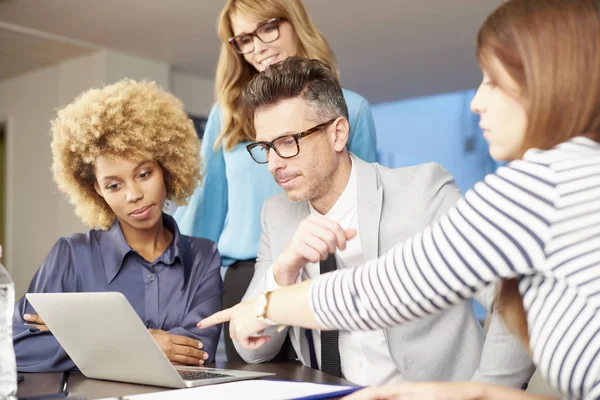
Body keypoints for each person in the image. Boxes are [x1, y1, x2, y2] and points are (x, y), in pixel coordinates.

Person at [200, 0, 600, 398]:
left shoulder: (522, 189)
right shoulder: (568, 176)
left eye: (492, 80)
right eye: (264, 147)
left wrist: (265, 305)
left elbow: (384, 290)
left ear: (339, 134)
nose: (476, 101)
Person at [232, 56, 533, 387]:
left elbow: (515, 302)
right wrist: (283, 273)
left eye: (288, 142)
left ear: (338, 134)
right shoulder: (276, 214)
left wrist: (481, 396)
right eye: (265, 147)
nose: (274, 164)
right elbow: (253, 352)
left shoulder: (422, 191)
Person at [173, 0, 377, 361]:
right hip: (246, 274)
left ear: (294, 22)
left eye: (267, 28)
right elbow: (204, 214)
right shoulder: (227, 116)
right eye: (244, 40)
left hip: (329, 271)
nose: (258, 47)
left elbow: (366, 203)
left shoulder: (351, 107)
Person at [13, 79, 223, 372]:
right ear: (97, 190)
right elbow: (17, 347)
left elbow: (198, 350)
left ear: (166, 166)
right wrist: (146, 343)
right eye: (113, 185)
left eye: (144, 174)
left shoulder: (203, 255)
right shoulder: (71, 255)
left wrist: (76, 333)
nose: (133, 195)